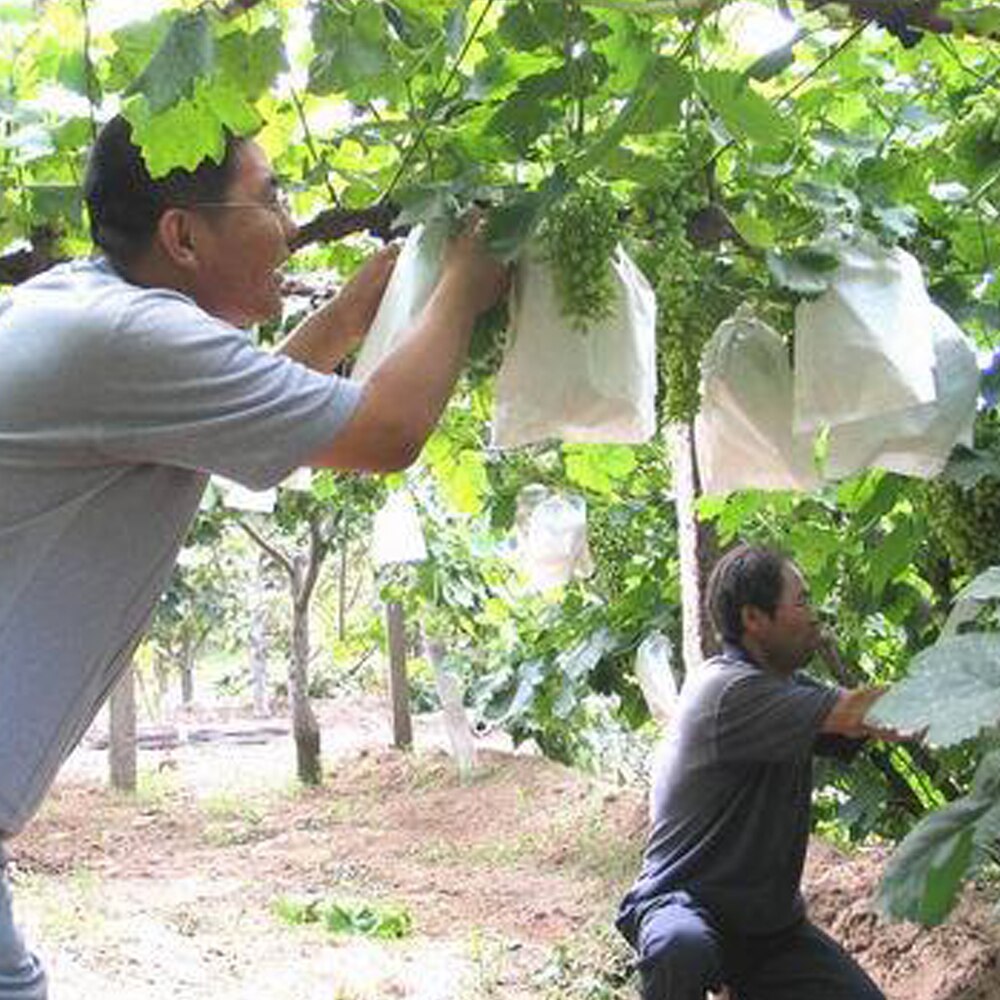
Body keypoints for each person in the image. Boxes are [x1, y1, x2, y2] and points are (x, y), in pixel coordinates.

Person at [0, 114, 508, 999]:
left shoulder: (90, 310)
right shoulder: (131, 341)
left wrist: (351, 313)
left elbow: (239, 416)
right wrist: (463, 285)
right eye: (270, 198)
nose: (291, 222)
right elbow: (386, 432)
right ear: (182, 236)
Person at [616, 543, 913, 1000]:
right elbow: (858, 711)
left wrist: (936, 714)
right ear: (754, 618)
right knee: (682, 947)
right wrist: (956, 687)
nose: (814, 615)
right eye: (801, 602)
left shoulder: (787, 688)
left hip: (768, 930)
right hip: (683, 905)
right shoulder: (728, 690)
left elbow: (869, 720)